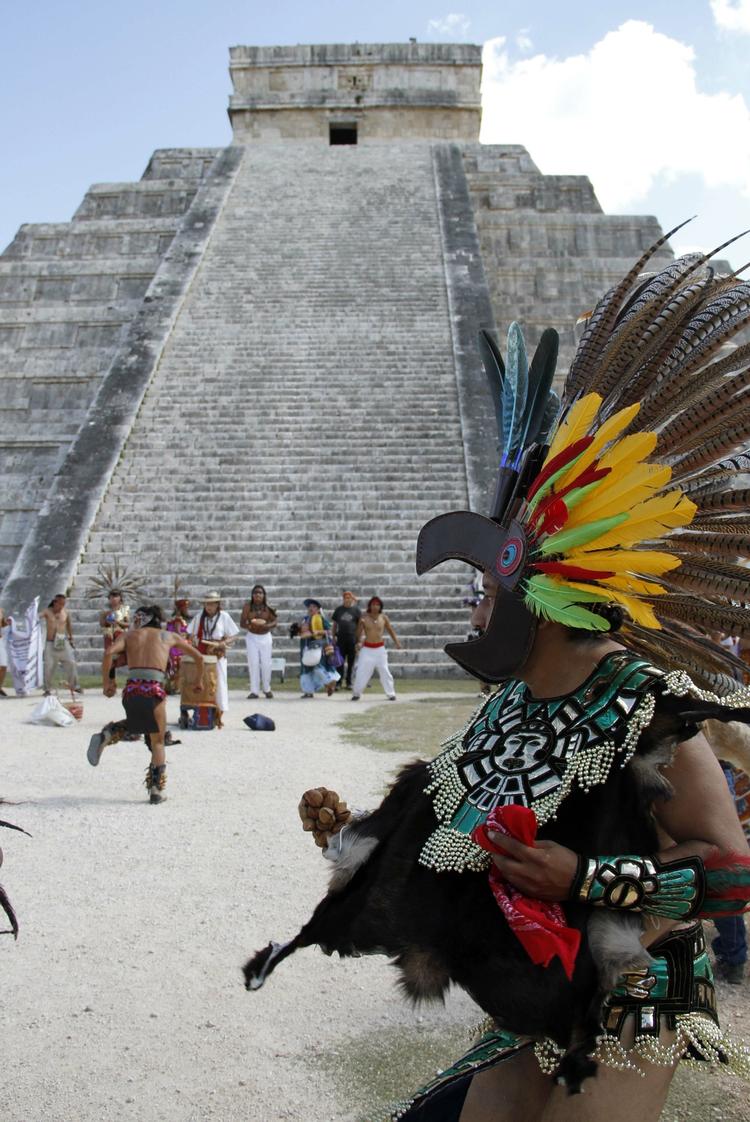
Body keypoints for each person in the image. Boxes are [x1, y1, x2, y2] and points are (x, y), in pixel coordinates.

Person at [243, 245, 750, 1121]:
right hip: (535, 998)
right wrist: (361, 847)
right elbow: (447, 812)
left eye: (485, 592)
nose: (476, 613)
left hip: (637, 995)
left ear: (540, 601)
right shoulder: (509, 705)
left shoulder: (645, 707)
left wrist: (590, 880)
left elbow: (731, 876)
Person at [89, 605, 203, 803]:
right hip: (154, 689)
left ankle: (108, 733)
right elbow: (199, 657)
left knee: (139, 723)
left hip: (132, 690)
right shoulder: (168, 636)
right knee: (157, 741)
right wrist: (199, 681)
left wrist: (107, 683)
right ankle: (156, 790)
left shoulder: (128, 636)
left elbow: (109, 653)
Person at [187, 592, 239, 720]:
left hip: (217, 653)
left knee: (219, 681)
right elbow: (189, 633)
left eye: (211, 604)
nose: (208, 607)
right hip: (202, 653)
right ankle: (203, 710)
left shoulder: (224, 617)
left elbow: (234, 635)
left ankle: (219, 711)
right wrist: (193, 639)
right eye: (206, 604)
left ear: (217, 604)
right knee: (202, 681)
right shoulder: (200, 617)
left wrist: (223, 643)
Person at [351, 596, 402, 701]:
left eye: (377, 604)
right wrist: (360, 625)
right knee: (361, 671)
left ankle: (391, 693)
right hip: (367, 649)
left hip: (380, 649)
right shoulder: (364, 617)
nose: (375, 606)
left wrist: (397, 642)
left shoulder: (383, 618)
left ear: (380, 606)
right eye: (373, 604)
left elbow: (390, 630)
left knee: (384, 670)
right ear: (370, 605)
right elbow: (357, 634)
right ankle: (356, 693)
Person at [240, 585, 278, 699]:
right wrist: (251, 624)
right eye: (255, 593)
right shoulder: (247, 607)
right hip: (252, 637)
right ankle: (254, 691)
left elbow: (275, 621)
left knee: (266, 664)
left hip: (265, 637)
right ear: (252, 595)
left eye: (260, 593)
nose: (258, 595)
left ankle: (267, 689)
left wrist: (266, 625)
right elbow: (242, 623)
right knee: (253, 663)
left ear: (264, 595)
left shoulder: (268, 607)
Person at [39, 594, 81, 695]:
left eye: (64, 604)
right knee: (49, 666)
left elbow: (69, 625)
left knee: (70, 663)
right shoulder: (47, 611)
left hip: (62, 640)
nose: (62, 606)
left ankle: (75, 685)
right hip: (50, 642)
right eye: (60, 604)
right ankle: (47, 688)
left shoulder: (65, 612)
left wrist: (71, 637)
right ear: (55, 602)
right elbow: (37, 616)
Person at [298, 599, 339, 698]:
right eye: (310, 607)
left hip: (317, 647)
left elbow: (329, 632)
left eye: (314, 607)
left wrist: (319, 632)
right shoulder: (305, 619)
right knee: (306, 669)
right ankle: (308, 691)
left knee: (317, 667)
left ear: (318, 609)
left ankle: (329, 682)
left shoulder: (321, 619)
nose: (311, 608)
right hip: (306, 647)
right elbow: (301, 631)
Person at [331, 590, 361, 690]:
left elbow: (360, 626)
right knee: (340, 662)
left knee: (351, 662)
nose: (347, 600)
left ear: (352, 599)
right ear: (343, 599)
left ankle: (349, 682)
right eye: (345, 598)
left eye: (349, 598)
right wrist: (333, 636)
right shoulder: (339, 610)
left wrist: (359, 640)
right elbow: (335, 625)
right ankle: (339, 683)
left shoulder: (356, 611)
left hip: (352, 639)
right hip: (341, 639)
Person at [99, 589, 129, 676]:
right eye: (112, 597)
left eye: (116, 596)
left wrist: (118, 622)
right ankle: (110, 682)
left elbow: (128, 624)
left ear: (120, 598)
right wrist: (106, 621)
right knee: (109, 656)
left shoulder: (124, 609)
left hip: (120, 634)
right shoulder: (105, 610)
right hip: (108, 634)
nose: (114, 599)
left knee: (123, 655)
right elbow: (101, 623)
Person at [165, 595, 191, 693]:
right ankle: (175, 687)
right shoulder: (178, 620)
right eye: (186, 608)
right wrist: (187, 637)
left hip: (178, 646)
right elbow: (178, 633)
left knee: (179, 667)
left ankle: (176, 686)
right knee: (177, 666)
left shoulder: (178, 619)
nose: (187, 610)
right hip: (177, 647)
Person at [0, 606, 9, 697]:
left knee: (4, 665)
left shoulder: (1, 610)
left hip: (0, 641)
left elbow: (2, 624)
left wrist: (8, 623)